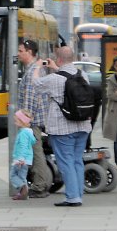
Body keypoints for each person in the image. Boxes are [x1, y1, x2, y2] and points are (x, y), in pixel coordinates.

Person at [38, 46, 92, 207]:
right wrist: (56, 68)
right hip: (82, 125)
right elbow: (67, 76)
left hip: (62, 128)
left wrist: (36, 67)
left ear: (59, 59)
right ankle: (78, 194)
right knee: (76, 161)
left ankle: (73, 197)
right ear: (73, 57)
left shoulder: (53, 79)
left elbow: (36, 84)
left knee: (65, 162)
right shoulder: (84, 75)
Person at [17, 39, 52, 198]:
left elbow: (30, 99)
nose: (18, 54)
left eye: (21, 51)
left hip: (32, 121)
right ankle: (40, 184)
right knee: (35, 152)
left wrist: (25, 122)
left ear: (29, 52)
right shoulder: (35, 69)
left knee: (35, 153)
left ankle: (40, 186)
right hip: (36, 119)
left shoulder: (32, 72)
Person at [10, 109, 36, 200]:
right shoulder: (29, 132)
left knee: (13, 175)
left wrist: (21, 158)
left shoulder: (23, 133)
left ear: (22, 122)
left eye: (16, 120)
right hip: (27, 159)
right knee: (22, 176)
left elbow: (23, 146)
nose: (15, 122)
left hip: (20, 160)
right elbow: (32, 142)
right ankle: (23, 194)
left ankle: (22, 187)